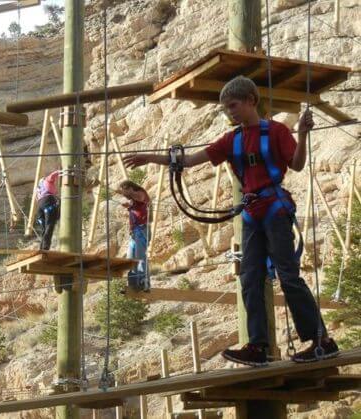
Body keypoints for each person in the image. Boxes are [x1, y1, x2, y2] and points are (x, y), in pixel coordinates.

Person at [122, 75, 337, 366]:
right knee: (249, 278)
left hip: (274, 208)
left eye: (233, 106)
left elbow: (297, 165)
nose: (230, 113)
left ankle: (321, 339)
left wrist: (303, 135)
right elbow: (188, 161)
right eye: (225, 109)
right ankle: (258, 345)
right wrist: (151, 158)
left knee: (287, 275)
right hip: (252, 212)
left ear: (251, 100)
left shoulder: (275, 131)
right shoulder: (230, 139)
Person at [117, 180, 150, 291]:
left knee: (140, 256)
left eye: (125, 191)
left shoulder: (141, 192)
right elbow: (134, 205)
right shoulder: (133, 199)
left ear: (130, 188)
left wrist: (128, 195)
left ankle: (143, 282)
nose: (125, 194)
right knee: (131, 258)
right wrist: (128, 204)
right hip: (135, 231)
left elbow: (140, 198)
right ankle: (132, 283)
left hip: (142, 229)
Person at [35, 169, 61, 250]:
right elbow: (51, 176)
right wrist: (60, 172)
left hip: (40, 206)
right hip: (48, 202)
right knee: (49, 225)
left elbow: (37, 199)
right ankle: (45, 248)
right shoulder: (46, 181)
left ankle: (42, 247)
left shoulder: (38, 189)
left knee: (44, 229)